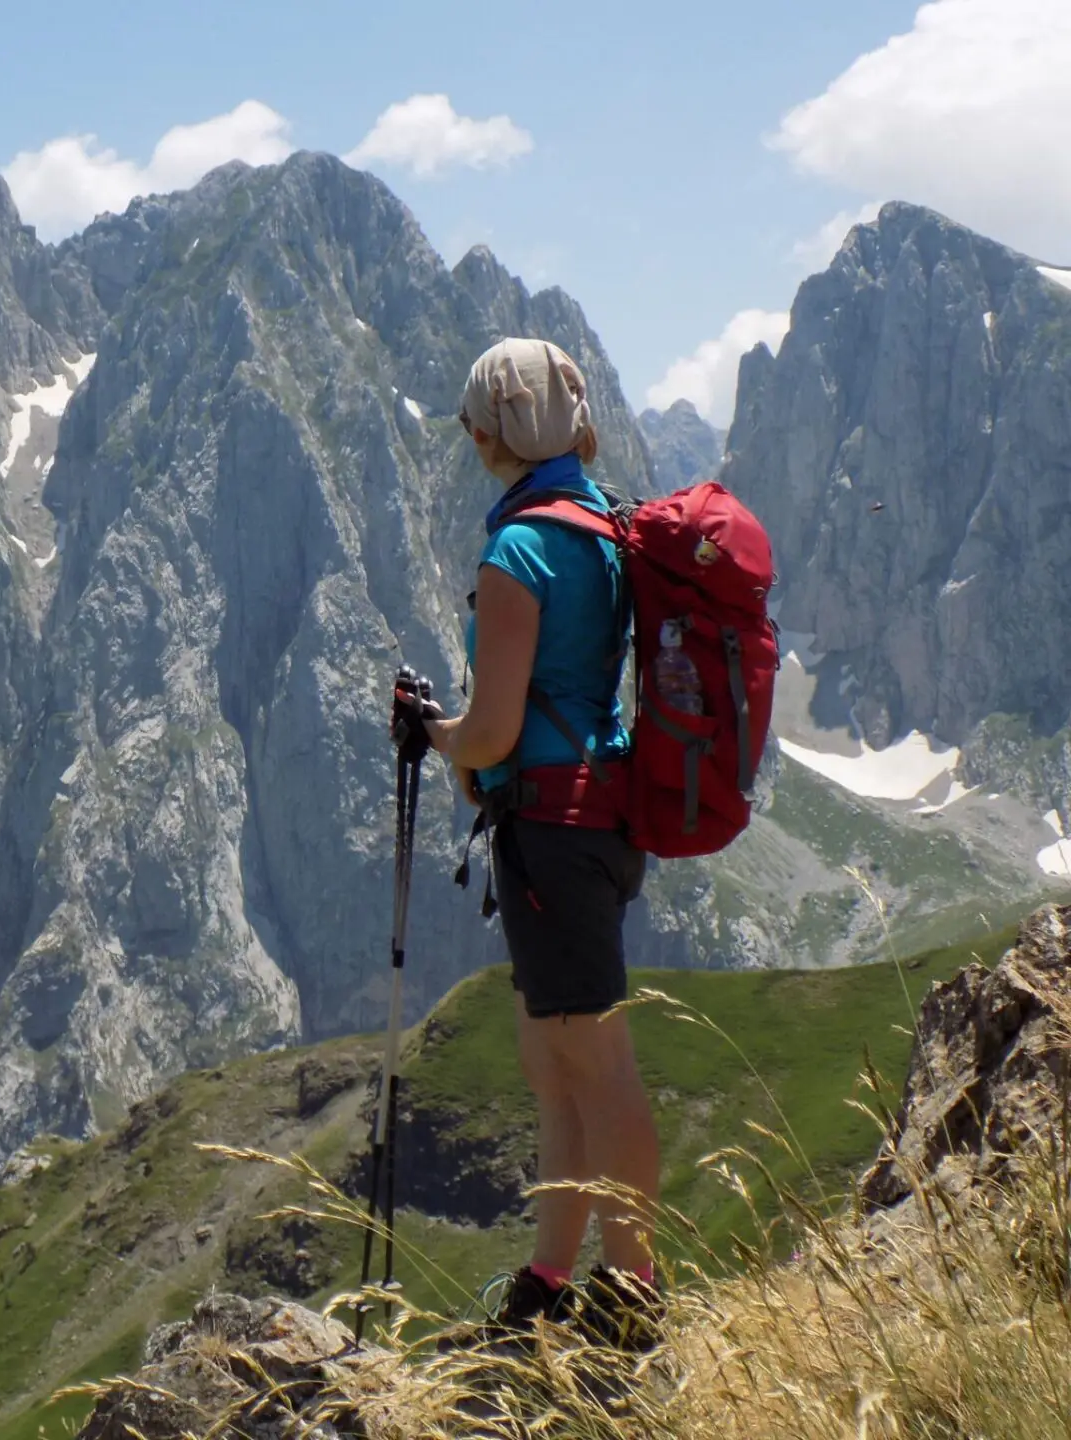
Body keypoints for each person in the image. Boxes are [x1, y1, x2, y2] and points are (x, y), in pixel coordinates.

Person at [413, 337, 663, 1348]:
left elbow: (493, 731)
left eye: (476, 421)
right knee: (551, 1057)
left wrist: (437, 735)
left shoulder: (518, 548)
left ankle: (633, 1289)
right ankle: (551, 1276)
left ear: (491, 433)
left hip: (549, 829)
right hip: (597, 816)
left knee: (594, 1060)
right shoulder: (603, 523)